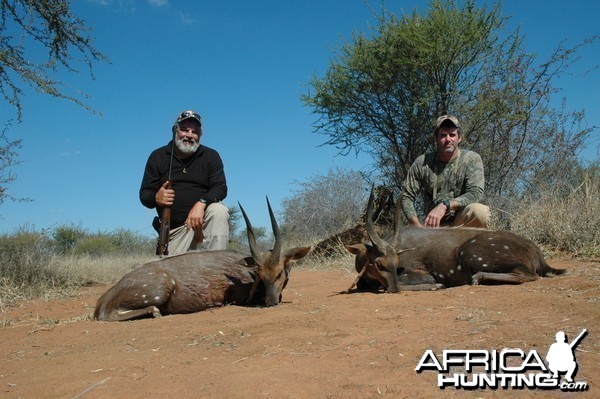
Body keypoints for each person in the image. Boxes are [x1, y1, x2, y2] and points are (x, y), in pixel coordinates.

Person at [140, 109, 229, 255]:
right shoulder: (158, 156)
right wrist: (156, 198)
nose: (189, 135)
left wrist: (201, 203)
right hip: (174, 232)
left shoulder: (211, 156)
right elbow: (144, 195)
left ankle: (216, 269)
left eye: (195, 131)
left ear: (200, 135)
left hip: (202, 226)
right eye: (184, 130)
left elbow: (220, 187)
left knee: (218, 211)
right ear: (175, 130)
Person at [400, 114, 490, 228]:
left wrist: (445, 205)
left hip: (461, 224)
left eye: (452, 135)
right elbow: (406, 196)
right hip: (433, 226)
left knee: (479, 212)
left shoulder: (471, 159)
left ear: (459, 138)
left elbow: (475, 193)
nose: (448, 139)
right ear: (436, 139)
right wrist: (417, 225)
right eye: (443, 135)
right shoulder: (422, 162)